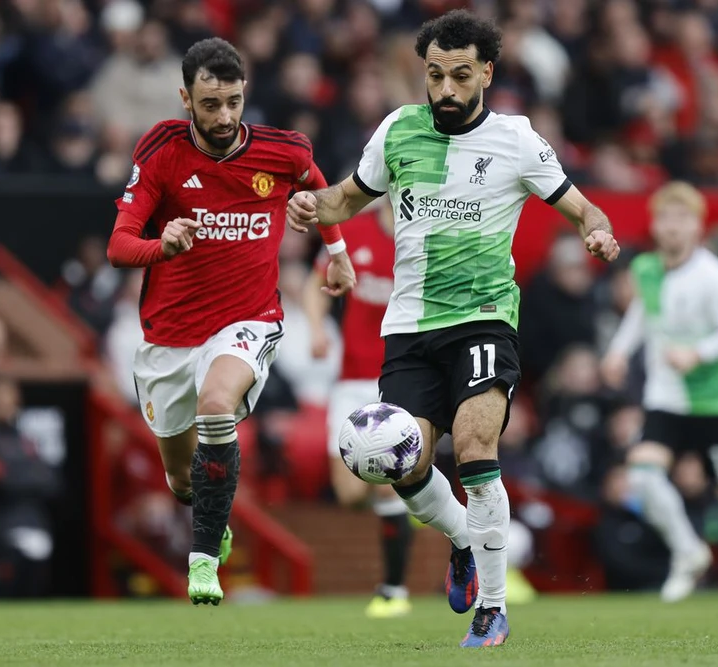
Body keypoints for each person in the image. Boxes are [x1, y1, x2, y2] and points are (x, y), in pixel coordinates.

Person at [286, 10, 620, 647]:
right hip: (409, 327)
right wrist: (311, 205)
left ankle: (491, 610)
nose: (444, 89)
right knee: (398, 465)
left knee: (473, 448)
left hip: (483, 318)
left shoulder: (519, 140)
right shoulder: (397, 131)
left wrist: (595, 230)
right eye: (434, 75)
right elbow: (344, 201)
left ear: (486, 73)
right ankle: (465, 537)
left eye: (460, 75)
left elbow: (582, 206)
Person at [106, 38, 357, 606]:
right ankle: (212, 524)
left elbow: (319, 187)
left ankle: (200, 564)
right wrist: (160, 246)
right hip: (168, 337)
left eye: (235, 102)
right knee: (182, 480)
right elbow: (118, 246)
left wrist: (336, 252)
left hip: (248, 320)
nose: (225, 117)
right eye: (211, 103)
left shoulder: (282, 151)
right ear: (185, 99)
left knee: (217, 404)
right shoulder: (163, 150)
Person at [601, 182, 718, 609]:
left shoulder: (713, 275)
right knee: (643, 478)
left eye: (682, 218)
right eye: (666, 218)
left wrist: (697, 353)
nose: (672, 227)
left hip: (712, 404)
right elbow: (641, 313)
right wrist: (616, 352)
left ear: (697, 226)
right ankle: (688, 551)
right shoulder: (646, 268)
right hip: (666, 399)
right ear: (655, 224)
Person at [302, 202, 414, 619]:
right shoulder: (352, 233)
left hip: (398, 378)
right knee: (350, 493)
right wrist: (317, 328)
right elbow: (316, 283)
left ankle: (394, 589)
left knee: (385, 484)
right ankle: (413, 503)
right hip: (350, 381)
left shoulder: (422, 233)